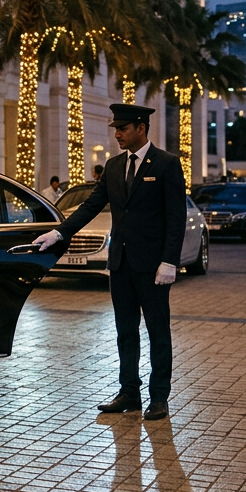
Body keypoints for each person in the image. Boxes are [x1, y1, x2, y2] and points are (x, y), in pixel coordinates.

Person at [36, 104, 186, 421]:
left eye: (123, 128)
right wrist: (59, 232)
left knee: (158, 332)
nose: (117, 134)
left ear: (141, 128)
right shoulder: (114, 166)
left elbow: (176, 217)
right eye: (116, 129)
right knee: (125, 331)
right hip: (120, 263)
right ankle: (129, 392)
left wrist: (169, 261)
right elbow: (91, 205)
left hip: (153, 266)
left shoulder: (167, 164)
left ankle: (159, 397)